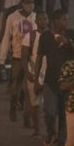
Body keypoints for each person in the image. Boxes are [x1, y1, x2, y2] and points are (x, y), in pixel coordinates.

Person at [35, 10, 74, 146]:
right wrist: (37, 80)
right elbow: (39, 57)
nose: (66, 22)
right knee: (50, 112)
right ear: (55, 21)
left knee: (64, 117)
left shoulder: (72, 35)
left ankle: (61, 142)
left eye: (67, 19)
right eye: (64, 20)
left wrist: (68, 43)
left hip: (68, 83)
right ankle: (51, 133)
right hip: (50, 81)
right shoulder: (45, 37)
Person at [0, 0, 36, 123]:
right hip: (17, 57)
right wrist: (2, 60)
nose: (30, 5)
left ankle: (27, 117)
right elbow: (6, 38)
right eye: (27, 2)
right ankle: (13, 107)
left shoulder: (35, 18)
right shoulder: (13, 18)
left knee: (29, 90)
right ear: (22, 3)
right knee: (15, 87)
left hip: (31, 58)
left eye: (32, 2)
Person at [21, 10, 49, 138]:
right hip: (34, 72)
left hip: (49, 74)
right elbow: (24, 56)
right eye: (41, 19)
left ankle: (48, 129)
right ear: (36, 21)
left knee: (48, 103)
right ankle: (37, 128)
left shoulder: (52, 36)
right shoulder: (30, 36)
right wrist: (27, 72)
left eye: (45, 19)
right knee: (35, 103)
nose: (43, 21)